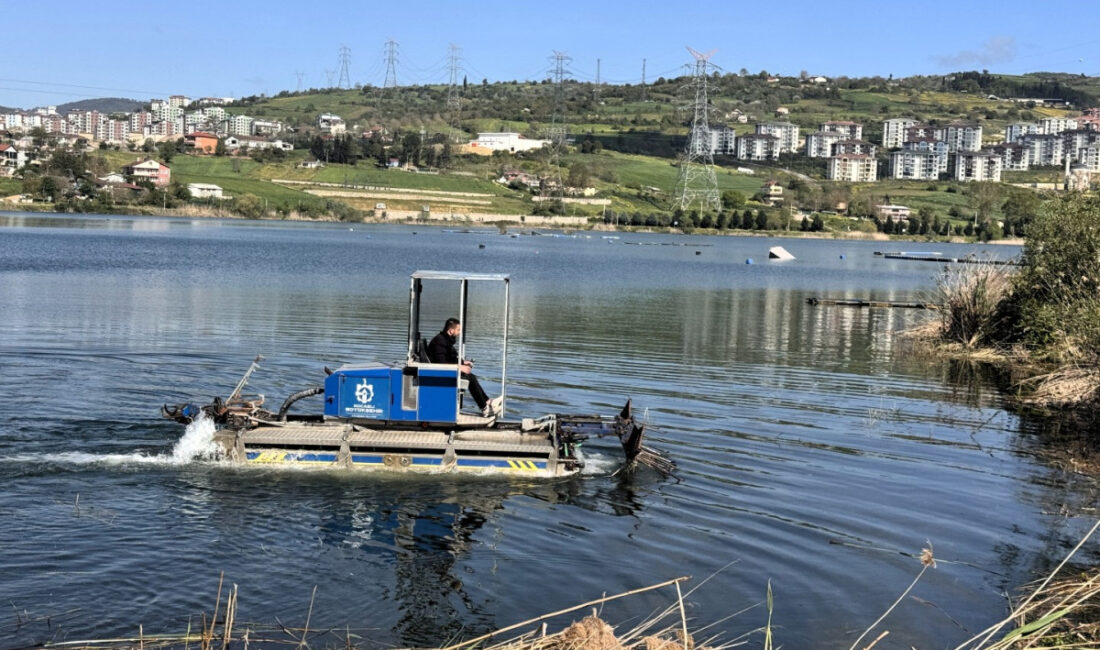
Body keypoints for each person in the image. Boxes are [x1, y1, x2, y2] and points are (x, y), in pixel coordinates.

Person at [427, 318, 496, 417]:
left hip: (444, 371)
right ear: (451, 330)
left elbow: (449, 358)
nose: (459, 332)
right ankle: (485, 407)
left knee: (471, 376)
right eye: (458, 330)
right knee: (470, 378)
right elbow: (441, 363)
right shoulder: (440, 341)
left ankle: (486, 401)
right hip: (439, 374)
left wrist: (463, 362)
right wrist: (459, 367)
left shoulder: (445, 339)